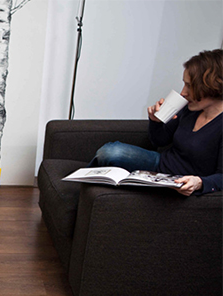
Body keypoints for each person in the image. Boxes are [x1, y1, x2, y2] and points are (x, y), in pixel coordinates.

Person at [89, 49, 222, 196]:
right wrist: (156, 122)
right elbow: (159, 140)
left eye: (190, 86)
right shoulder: (191, 109)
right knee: (111, 151)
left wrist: (199, 183)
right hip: (160, 164)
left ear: (212, 86)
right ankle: (82, 185)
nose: (183, 92)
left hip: (180, 180)